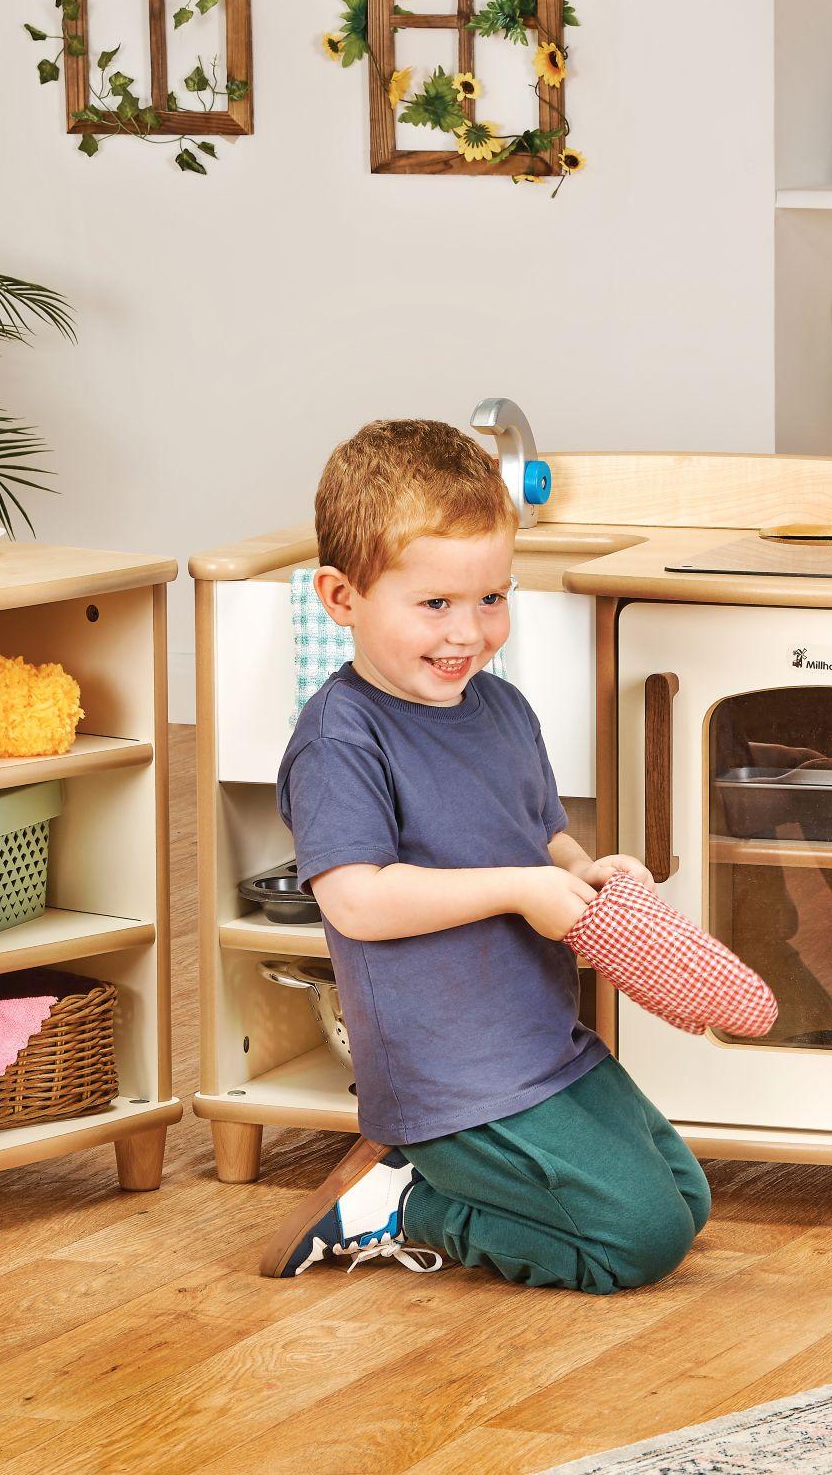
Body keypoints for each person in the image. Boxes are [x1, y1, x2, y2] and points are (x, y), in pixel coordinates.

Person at [262, 418, 711, 1293]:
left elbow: (537, 833)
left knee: (686, 1200)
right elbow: (356, 899)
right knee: (639, 1242)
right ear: (340, 596)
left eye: (492, 598)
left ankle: (427, 1191)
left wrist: (583, 871)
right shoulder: (339, 739)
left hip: (543, 1039)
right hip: (452, 1076)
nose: (468, 632)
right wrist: (523, 889)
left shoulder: (501, 709)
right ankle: (402, 1207)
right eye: (434, 604)